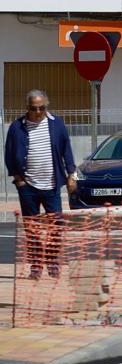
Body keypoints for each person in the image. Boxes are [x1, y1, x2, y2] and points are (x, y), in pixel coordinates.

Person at [4, 90, 76, 278]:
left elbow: (66, 150)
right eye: (34, 108)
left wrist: (71, 174)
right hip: (27, 186)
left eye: (42, 108)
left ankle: (52, 262)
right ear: (27, 107)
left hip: (52, 184)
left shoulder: (56, 124)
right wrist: (18, 179)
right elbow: (9, 154)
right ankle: (36, 266)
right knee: (32, 227)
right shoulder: (17, 127)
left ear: (47, 105)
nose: (38, 112)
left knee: (56, 225)